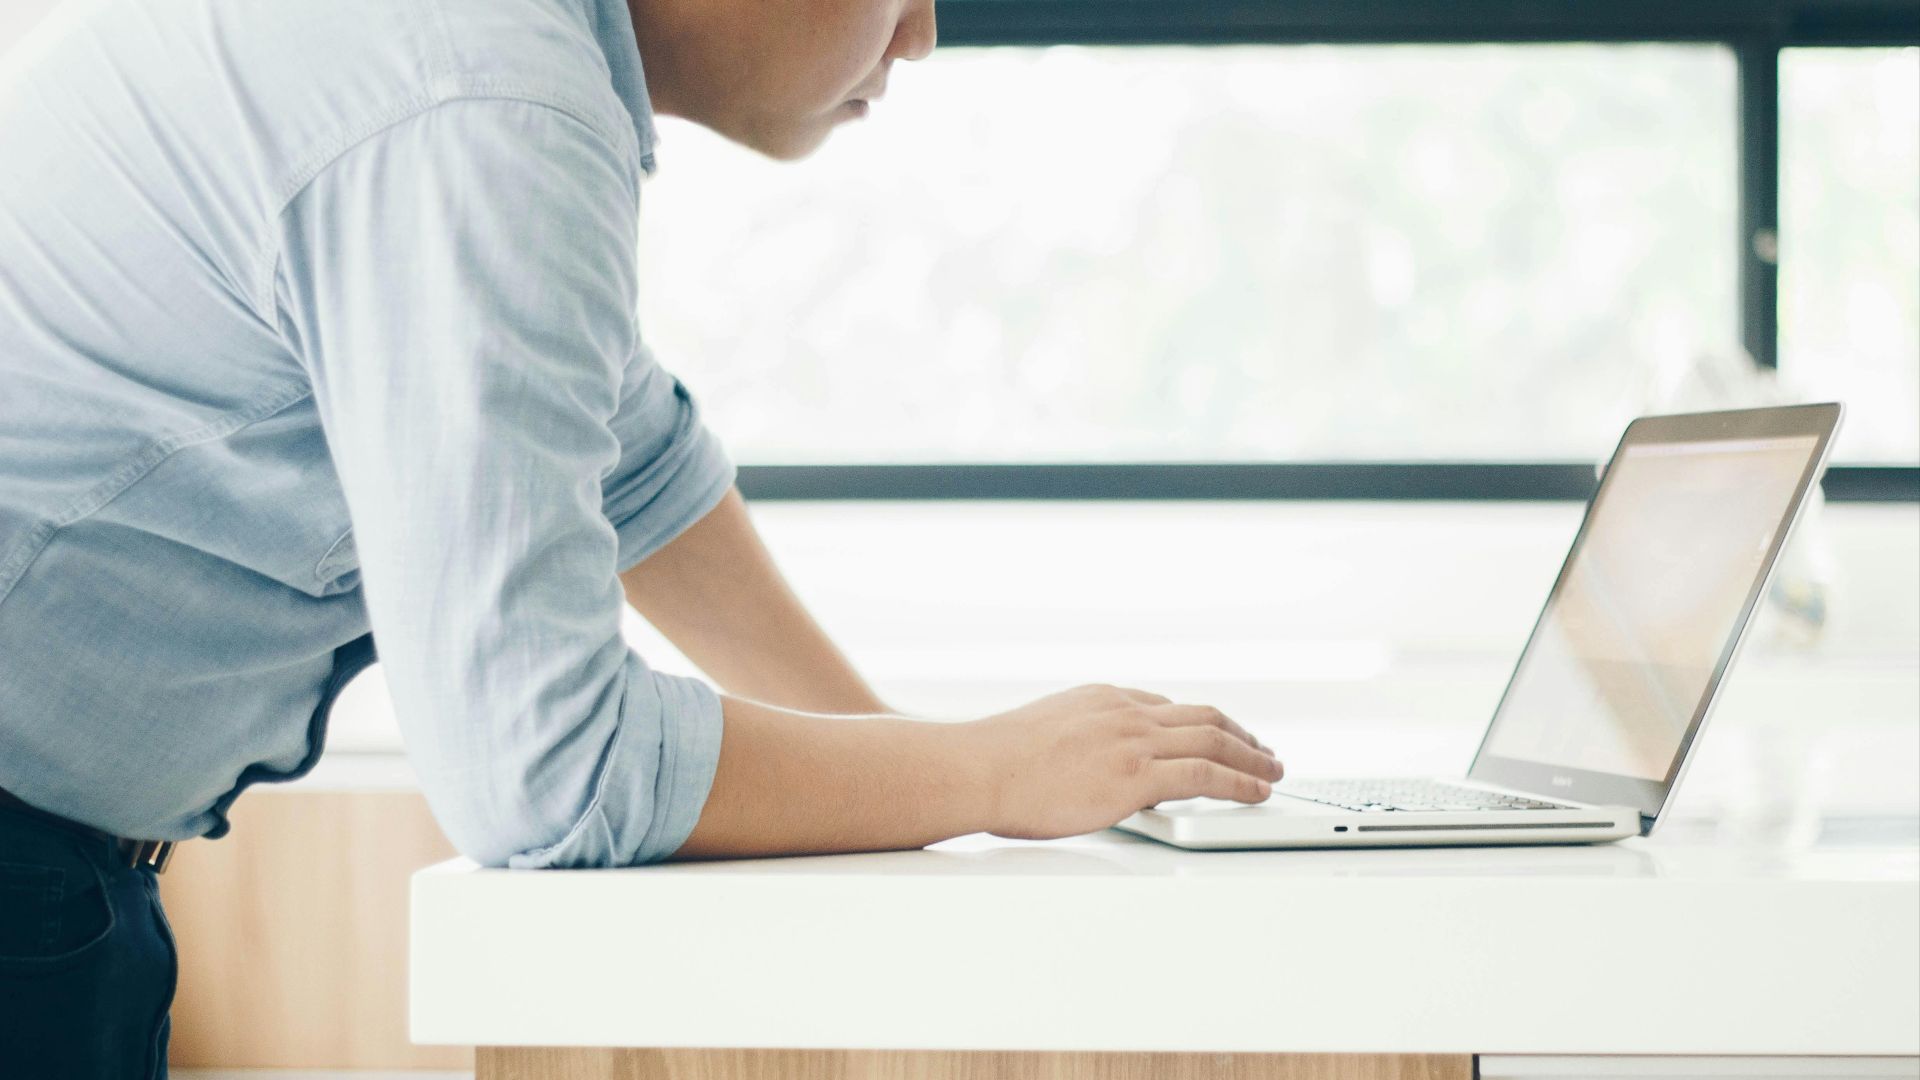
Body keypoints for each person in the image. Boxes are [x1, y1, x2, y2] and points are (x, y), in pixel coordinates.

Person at [0, 0, 1284, 1073]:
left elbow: (638, 462)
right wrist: (986, 771)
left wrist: (940, 795)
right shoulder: (483, 97)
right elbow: (544, 767)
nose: (925, 34)